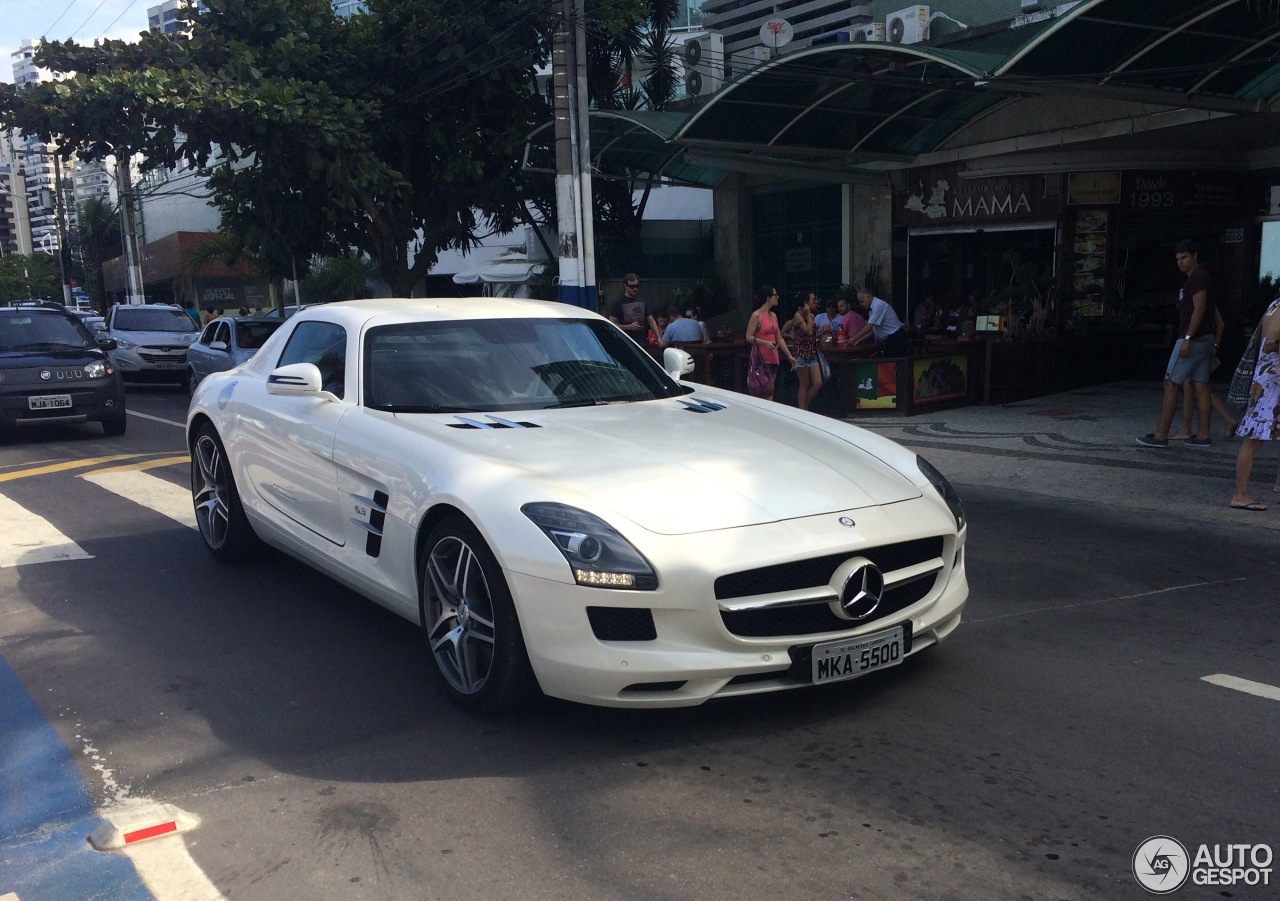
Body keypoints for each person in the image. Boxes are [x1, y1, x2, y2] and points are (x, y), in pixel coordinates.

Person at [1136, 239, 1216, 449]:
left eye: (1184, 257)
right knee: (1200, 385)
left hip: (1194, 337)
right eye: (1178, 259)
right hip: (1205, 337)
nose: (1180, 262)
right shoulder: (1199, 277)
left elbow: (1199, 309)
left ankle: (1161, 435)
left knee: (1170, 383)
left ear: (1194, 256)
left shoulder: (1197, 278)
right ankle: (1203, 435)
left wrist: (1188, 338)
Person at [1230, 295, 1280, 511]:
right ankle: (1240, 495)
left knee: (1254, 438)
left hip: (1266, 380)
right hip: (1271, 384)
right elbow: (1275, 342)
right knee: (1252, 440)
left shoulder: (1274, 305)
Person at [1172, 309, 1237, 440]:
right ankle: (1226, 420)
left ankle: (1187, 429)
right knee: (1199, 387)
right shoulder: (1206, 301)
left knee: (1194, 386)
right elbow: (1221, 324)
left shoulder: (1201, 299)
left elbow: (1220, 323)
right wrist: (1215, 345)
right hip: (1204, 344)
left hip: (1195, 344)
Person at [745, 284, 794, 401]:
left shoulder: (774, 316)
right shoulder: (757, 315)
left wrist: (789, 355)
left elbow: (779, 338)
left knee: (770, 390)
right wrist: (764, 343)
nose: (777, 297)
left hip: (773, 357)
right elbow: (748, 337)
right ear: (768, 297)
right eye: (775, 295)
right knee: (760, 391)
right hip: (761, 358)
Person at [784, 292, 823, 410]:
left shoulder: (811, 315)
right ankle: (803, 409)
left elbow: (813, 335)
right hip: (801, 354)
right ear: (805, 303)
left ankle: (803, 407)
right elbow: (808, 330)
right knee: (804, 384)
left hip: (811, 353)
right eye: (813, 300)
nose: (814, 302)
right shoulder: (798, 316)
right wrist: (808, 315)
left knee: (817, 383)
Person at [850, 287, 910, 357]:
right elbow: (872, 330)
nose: (861, 304)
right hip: (890, 340)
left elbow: (869, 327)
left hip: (896, 338)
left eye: (862, 301)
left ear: (868, 296)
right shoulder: (872, 310)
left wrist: (855, 338)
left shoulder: (878, 305)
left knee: (896, 364)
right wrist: (859, 340)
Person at [608, 273, 662, 346]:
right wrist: (628, 327)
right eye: (632, 286)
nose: (635, 289)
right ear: (625, 286)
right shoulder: (618, 303)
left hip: (641, 342)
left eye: (637, 286)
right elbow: (611, 324)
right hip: (626, 342)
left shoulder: (643, 300)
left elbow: (651, 320)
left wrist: (658, 336)